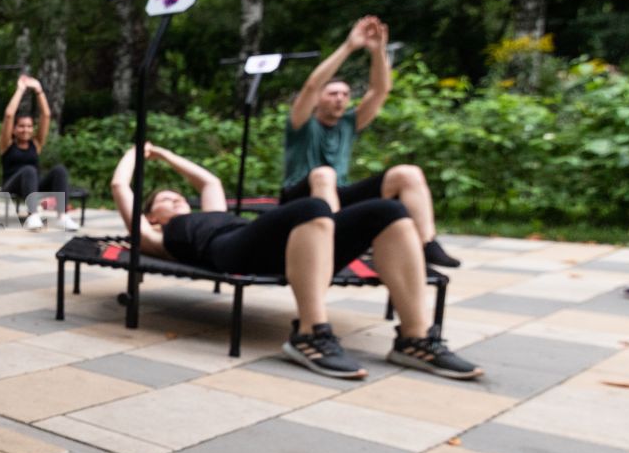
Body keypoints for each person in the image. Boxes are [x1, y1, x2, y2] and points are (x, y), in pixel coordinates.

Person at [113, 142, 481, 380]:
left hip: (283, 242)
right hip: (232, 250)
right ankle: (310, 335)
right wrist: (135, 152)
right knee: (313, 206)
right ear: (153, 215)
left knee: (390, 211)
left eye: (179, 196)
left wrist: (163, 154)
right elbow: (119, 188)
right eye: (165, 200)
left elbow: (207, 181)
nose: (176, 200)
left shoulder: (211, 209)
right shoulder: (156, 235)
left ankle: (414, 340)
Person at [282, 15, 459, 268]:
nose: (341, 98)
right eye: (333, 93)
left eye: (345, 94)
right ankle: (332, 246)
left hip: (336, 198)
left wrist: (378, 51)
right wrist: (349, 47)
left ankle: (425, 244)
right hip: (298, 196)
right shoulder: (301, 124)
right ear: (319, 99)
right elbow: (311, 85)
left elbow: (379, 91)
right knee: (324, 174)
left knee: (408, 173)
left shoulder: (348, 123)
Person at [0, 73, 77, 232]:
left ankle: (62, 217)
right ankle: (33, 215)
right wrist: (20, 89)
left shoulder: (36, 143)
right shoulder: (6, 144)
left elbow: (46, 115)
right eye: (21, 126)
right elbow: (9, 115)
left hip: (33, 185)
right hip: (12, 185)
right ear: (14, 129)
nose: (25, 129)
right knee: (29, 170)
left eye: (28, 126)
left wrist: (38, 90)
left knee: (59, 170)